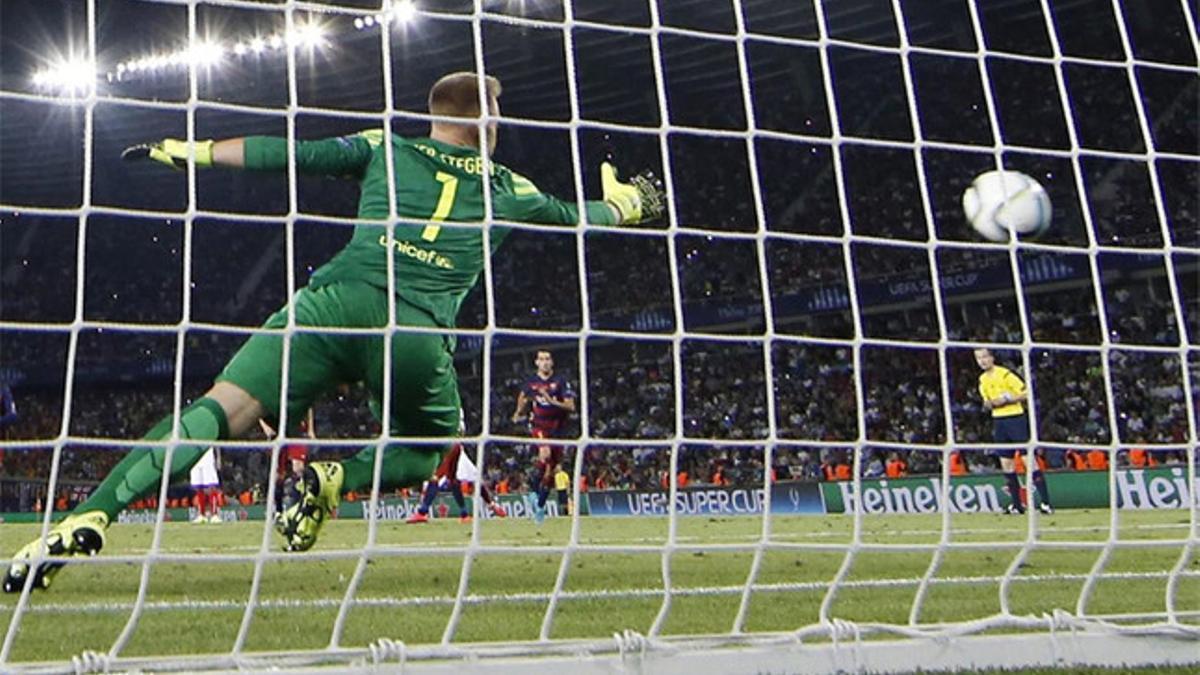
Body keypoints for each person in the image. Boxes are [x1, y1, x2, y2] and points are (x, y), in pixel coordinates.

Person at [4, 71, 664, 593]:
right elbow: (583, 219)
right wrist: (628, 201)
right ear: (486, 122)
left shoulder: (385, 145)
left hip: (332, 303)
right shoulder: (510, 185)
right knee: (423, 449)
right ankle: (334, 481)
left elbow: (290, 152)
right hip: (415, 330)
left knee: (214, 410)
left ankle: (85, 517)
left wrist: (194, 151)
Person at [974, 348, 1053, 515]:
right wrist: (990, 404)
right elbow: (986, 402)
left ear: (992, 357)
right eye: (978, 358)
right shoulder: (982, 379)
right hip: (999, 421)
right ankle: (1017, 505)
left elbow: (1026, 393)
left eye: (984, 357)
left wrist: (1008, 399)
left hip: (1015, 418)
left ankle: (1046, 503)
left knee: (1028, 460)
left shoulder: (1005, 374)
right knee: (1006, 463)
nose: (982, 361)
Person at [510, 350, 576, 525]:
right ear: (536, 362)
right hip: (539, 425)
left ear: (552, 362)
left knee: (551, 471)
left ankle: (539, 505)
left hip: (558, 429)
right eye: (541, 359)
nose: (545, 362)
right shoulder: (531, 382)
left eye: (547, 359)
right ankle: (532, 491)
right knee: (544, 453)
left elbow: (570, 406)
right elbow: (522, 396)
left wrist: (550, 399)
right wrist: (518, 412)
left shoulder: (561, 381)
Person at [405, 441, 507, 524]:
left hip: (446, 446)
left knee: (436, 477)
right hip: (455, 446)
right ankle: (467, 514)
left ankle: (422, 512)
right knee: (458, 478)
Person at [188, 447, 222, 524]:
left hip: (207, 456)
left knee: (211, 485)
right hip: (194, 457)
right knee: (199, 486)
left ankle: (215, 514)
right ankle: (201, 515)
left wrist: (218, 458)